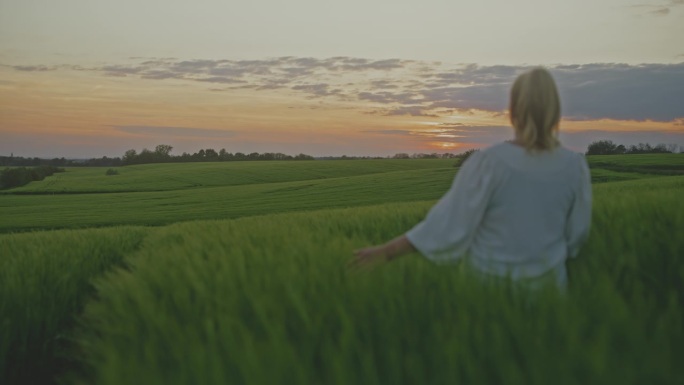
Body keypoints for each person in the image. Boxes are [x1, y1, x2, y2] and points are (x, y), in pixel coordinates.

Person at [350, 67, 592, 290]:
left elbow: (447, 226)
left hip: (489, 294)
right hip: (549, 293)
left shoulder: (490, 163)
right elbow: (576, 236)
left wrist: (387, 252)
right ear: (555, 111)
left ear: (514, 110)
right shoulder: (575, 166)